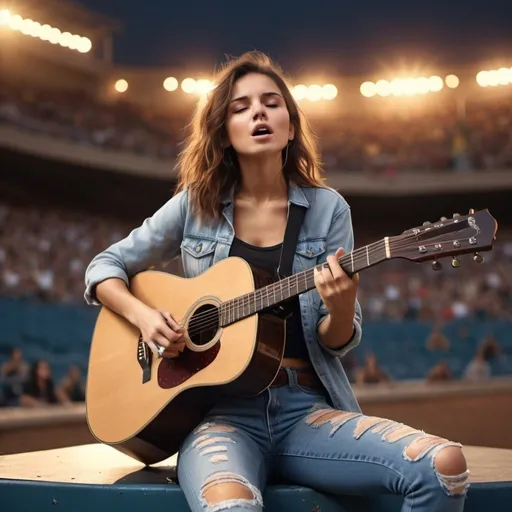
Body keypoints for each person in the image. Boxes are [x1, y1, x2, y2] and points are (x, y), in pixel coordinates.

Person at [84, 52, 469, 512]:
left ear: (290, 126)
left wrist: (342, 305)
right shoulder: (195, 206)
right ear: (224, 132)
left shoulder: (329, 210)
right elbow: (104, 267)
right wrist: (145, 317)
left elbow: (337, 340)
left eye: (271, 102)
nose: (259, 112)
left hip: (305, 408)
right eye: (241, 107)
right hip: (218, 419)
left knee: (444, 466)